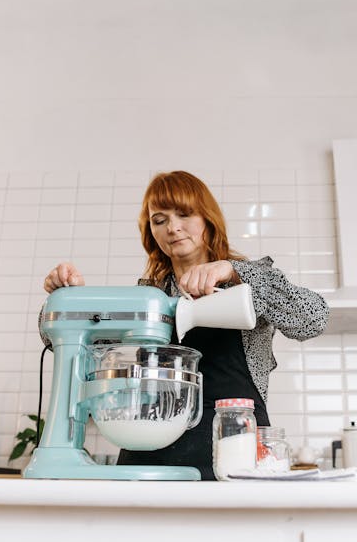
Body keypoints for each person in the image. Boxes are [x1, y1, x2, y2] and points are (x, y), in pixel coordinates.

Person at [43, 170, 329, 480]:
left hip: (235, 449)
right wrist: (75, 302)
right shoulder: (146, 299)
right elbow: (79, 354)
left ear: (207, 218)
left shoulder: (247, 280)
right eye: (160, 220)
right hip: (149, 453)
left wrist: (235, 272)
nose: (173, 228)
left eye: (184, 214)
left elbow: (313, 319)